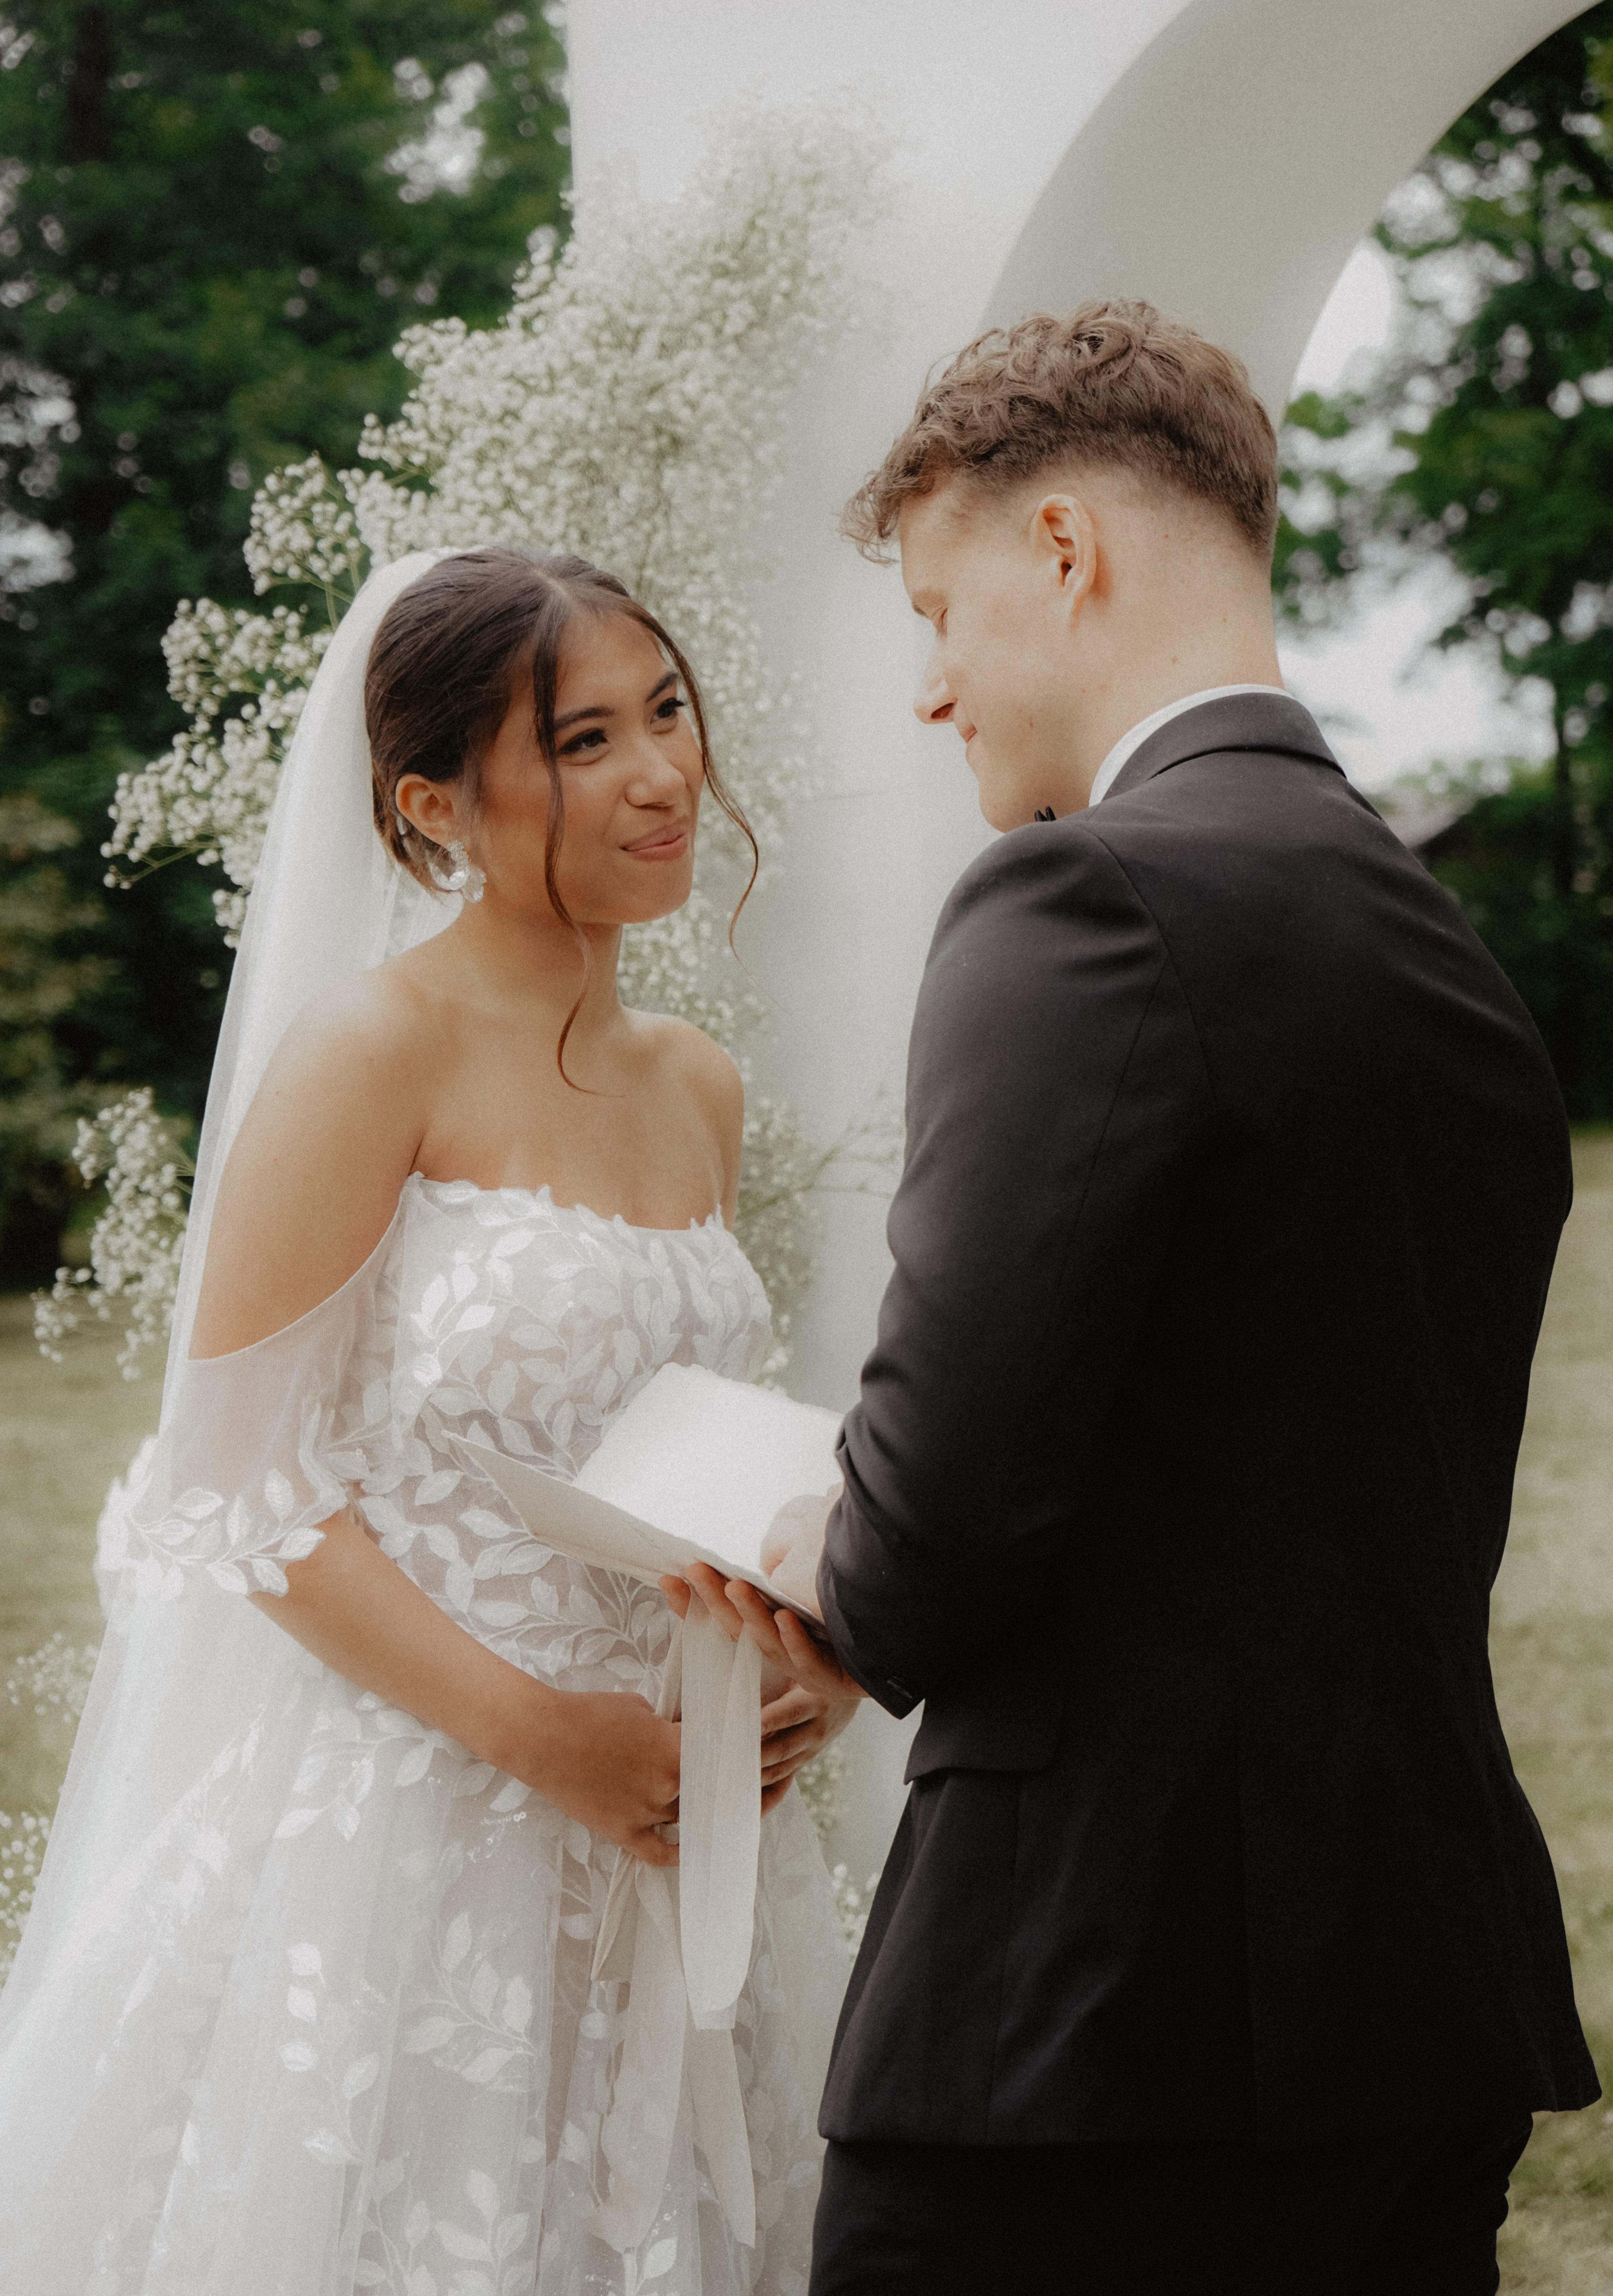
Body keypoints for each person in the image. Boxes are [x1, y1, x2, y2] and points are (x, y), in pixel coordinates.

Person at [683, 302, 1600, 2295]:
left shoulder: (1079, 900)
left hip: (1091, 2031)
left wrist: (806, 1539)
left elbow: (923, 1545)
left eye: (939, 609)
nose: (933, 689)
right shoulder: (1447, 963)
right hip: (1406, 2010)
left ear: (1066, 550)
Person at [0, 545, 854, 2294]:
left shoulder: (697, 1084)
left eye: (669, 713)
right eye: (588, 738)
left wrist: (796, 1655)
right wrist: (547, 1735)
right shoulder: (372, 1049)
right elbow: (232, 1497)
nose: (661, 775)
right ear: (432, 804)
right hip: (407, 1826)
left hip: (676, 1824)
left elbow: (674, 1439)